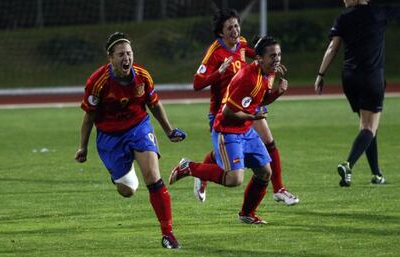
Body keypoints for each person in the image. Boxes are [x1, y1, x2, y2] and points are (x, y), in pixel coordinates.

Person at [74, 32, 186, 249]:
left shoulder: (142, 76)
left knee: (153, 177)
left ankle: (168, 234)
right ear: (110, 58)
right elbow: (89, 117)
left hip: (138, 128)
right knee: (127, 190)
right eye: (121, 54)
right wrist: (83, 148)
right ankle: (119, 174)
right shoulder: (98, 82)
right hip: (110, 137)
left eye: (129, 53)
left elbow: (154, 104)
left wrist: (169, 131)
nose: (127, 58)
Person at [170, 35, 287, 224]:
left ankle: (247, 214)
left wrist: (277, 94)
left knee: (265, 172)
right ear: (259, 58)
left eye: (279, 55)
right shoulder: (248, 78)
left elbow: (258, 101)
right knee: (234, 179)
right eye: (273, 56)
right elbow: (227, 112)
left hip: (246, 130)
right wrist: (251, 117)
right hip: (228, 130)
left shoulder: (268, 74)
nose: (277, 59)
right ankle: (189, 167)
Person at [192, 8, 298, 205]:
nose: (235, 30)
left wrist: (271, 61)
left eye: (236, 25)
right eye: (229, 27)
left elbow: (258, 55)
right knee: (221, 157)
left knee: (269, 141)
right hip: (222, 111)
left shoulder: (241, 43)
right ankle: (201, 173)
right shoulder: (215, 53)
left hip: (247, 106)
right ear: (221, 32)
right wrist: (219, 72)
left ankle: (279, 189)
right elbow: (197, 83)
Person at [314, 0, 400, 186]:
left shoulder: (343, 18)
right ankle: (348, 164)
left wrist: (321, 74)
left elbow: (333, 47)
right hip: (371, 77)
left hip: (350, 79)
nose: (344, 0)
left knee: (366, 125)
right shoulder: (379, 12)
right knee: (369, 127)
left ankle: (376, 174)